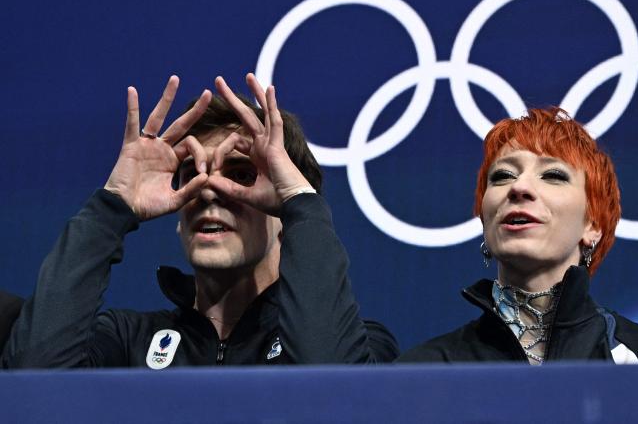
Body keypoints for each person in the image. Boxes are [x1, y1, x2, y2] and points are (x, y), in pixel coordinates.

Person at [2, 74, 398, 368]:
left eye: (242, 174)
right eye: (192, 175)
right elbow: (33, 385)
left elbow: (335, 398)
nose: (209, 190)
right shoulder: (126, 342)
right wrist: (113, 207)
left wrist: (302, 206)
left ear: (284, 216)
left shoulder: (361, 344)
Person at [398, 107, 638, 365]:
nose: (519, 187)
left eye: (553, 175)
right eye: (503, 176)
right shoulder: (424, 369)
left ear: (592, 225)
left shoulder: (632, 353)